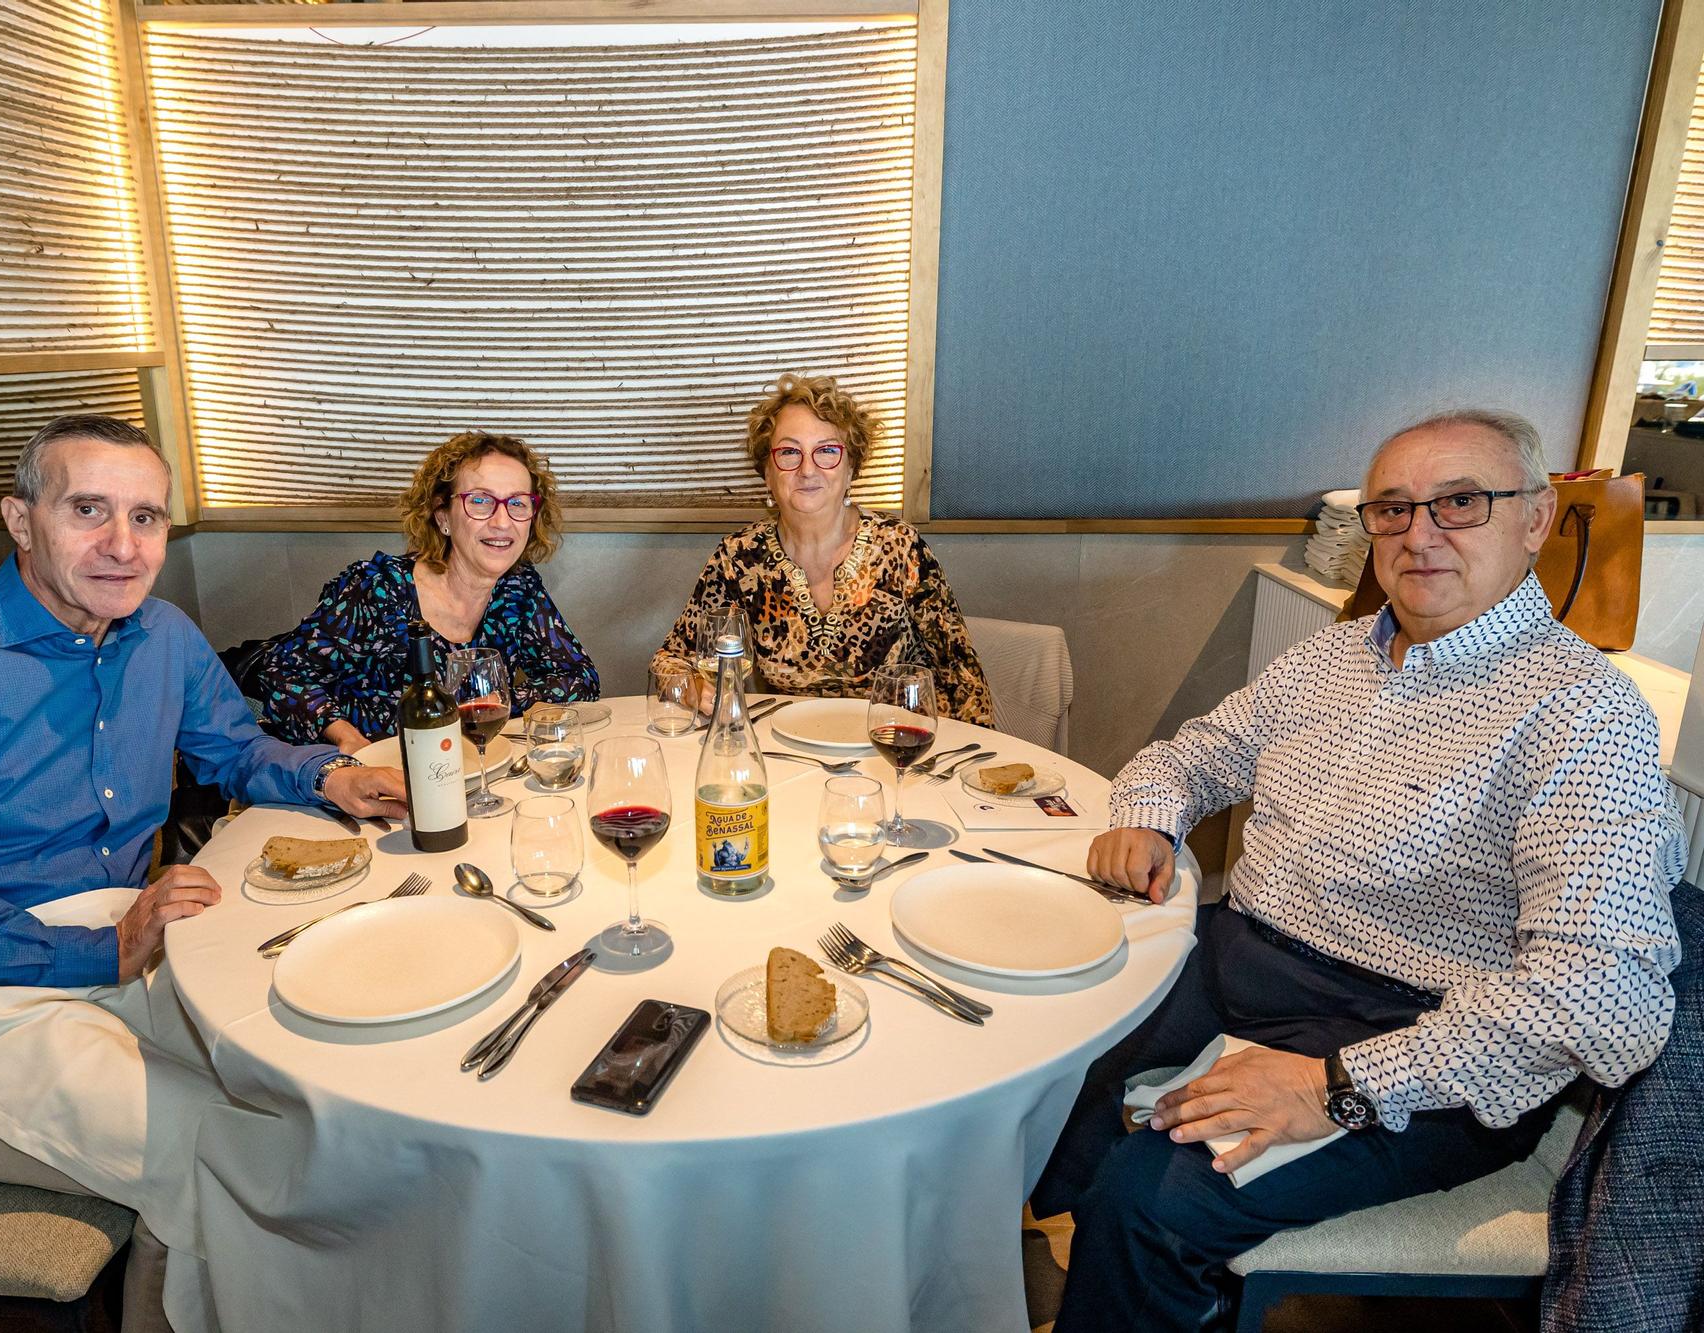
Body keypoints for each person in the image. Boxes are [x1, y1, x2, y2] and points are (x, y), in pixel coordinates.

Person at [1029, 409, 1686, 1332]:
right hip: (1235, 957)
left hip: (1406, 1034)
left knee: (1151, 1202)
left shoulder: (1582, 716)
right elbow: (1200, 752)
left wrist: (1336, 1084)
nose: (1419, 535)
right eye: (1393, 509)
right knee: (1038, 1078)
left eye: (1460, 502)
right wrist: (1150, 813)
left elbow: (1603, 999)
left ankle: (1134, 1275)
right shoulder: (1336, 654)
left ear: (1535, 519)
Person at [0, 415, 410, 1323]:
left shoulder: (161, 634)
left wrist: (334, 773)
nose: (123, 546)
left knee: (317, 1086)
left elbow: (234, 749)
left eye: (147, 518)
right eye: (89, 510)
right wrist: (103, 947)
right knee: (229, 1154)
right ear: (21, 520)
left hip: (121, 948)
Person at [652, 373, 993, 723]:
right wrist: (695, 688)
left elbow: (964, 680)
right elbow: (669, 661)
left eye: (827, 451)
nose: (808, 469)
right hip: (790, 757)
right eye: (789, 452)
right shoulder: (739, 558)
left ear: (850, 470)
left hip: (896, 750)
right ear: (767, 473)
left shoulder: (900, 548)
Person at [252, 431, 598, 749]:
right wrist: (345, 737)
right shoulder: (380, 590)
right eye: (480, 501)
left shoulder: (517, 590)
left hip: (463, 768)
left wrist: (493, 702)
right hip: (366, 771)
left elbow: (579, 679)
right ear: (442, 515)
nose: (502, 522)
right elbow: (283, 673)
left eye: (518, 503)